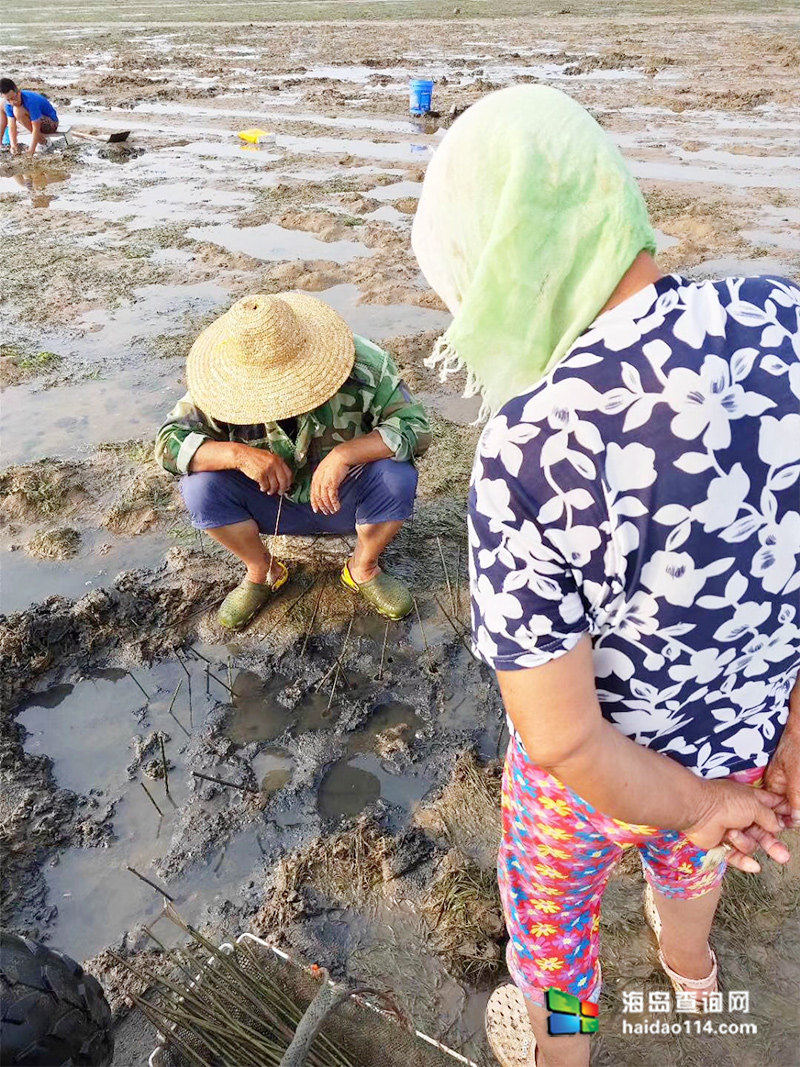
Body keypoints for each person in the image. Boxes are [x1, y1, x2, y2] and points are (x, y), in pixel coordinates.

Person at [412, 84, 799, 1067]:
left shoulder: (527, 445)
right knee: (694, 866)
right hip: (737, 741)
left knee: (557, 948)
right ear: (609, 194)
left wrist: (690, 799)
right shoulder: (783, 318)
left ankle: (564, 1048)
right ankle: (691, 970)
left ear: (489, 270)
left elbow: (563, 733)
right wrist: (780, 731)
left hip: (588, 791)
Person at [156, 292, 430, 630]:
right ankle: (263, 570)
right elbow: (168, 444)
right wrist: (238, 455)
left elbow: (416, 428)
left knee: (397, 475)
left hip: (348, 499)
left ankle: (363, 567)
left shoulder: (365, 364)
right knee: (200, 488)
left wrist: (346, 454)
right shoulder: (220, 379)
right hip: (271, 504)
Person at [0, 78, 59, 156]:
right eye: (9, 99)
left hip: (51, 123)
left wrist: (31, 150)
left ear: (18, 92)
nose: (12, 102)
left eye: (14, 98)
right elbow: (11, 126)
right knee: (3, 105)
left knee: (18, 111)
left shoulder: (30, 100)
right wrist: (13, 146)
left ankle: (44, 143)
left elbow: (36, 126)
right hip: (32, 120)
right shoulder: (8, 103)